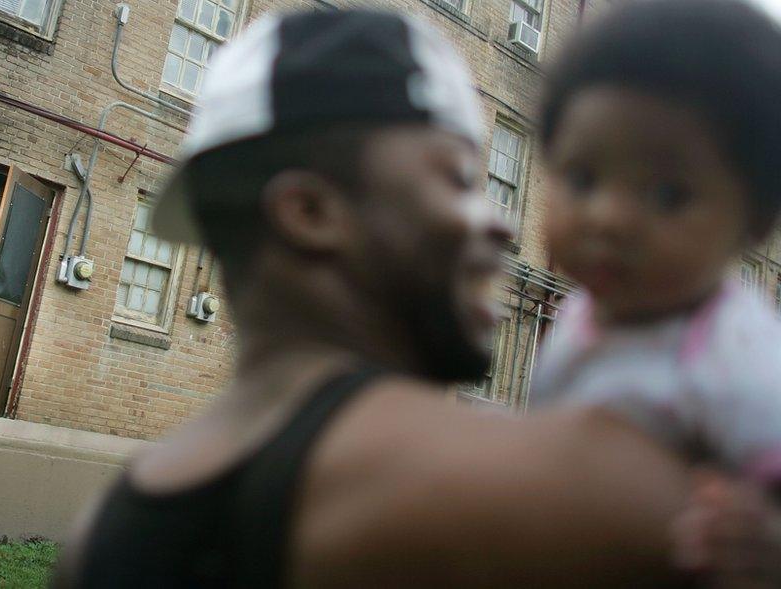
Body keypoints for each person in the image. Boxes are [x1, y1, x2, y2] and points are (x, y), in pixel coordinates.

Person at [55, 10, 727, 587]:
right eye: (461, 178)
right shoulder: (498, 485)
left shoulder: (102, 530)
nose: (499, 223)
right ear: (311, 211)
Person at [530, 1, 781, 583]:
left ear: (757, 219)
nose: (609, 218)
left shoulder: (739, 348)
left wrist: (767, 540)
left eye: (668, 194)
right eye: (582, 178)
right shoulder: (576, 316)